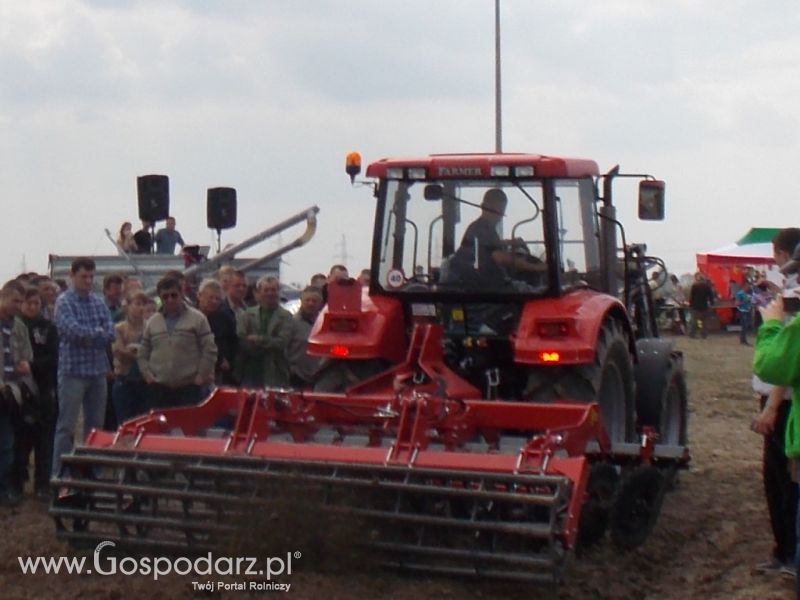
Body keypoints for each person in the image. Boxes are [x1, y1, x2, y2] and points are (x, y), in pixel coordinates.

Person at [751, 227, 800, 579]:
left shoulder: (790, 306)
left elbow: (779, 364)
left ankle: (788, 555)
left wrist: (770, 407)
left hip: (785, 405)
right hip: (782, 402)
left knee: (784, 484)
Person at [51, 258, 115, 479]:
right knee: (66, 426)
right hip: (72, 372)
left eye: (90, 276)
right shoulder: (63, 302)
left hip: (97, 372)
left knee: (95, 427)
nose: (88, 281)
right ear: (73, 276)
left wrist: (91, 335)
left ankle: (91, 474)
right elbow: (71, 331)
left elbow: (110, 332)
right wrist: (95, 335)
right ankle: (60, 475)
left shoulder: (99, 302)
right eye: (83, 276)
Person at [137, 276, 217, 409]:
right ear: (160, 298)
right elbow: (143, 351)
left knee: (188, 428)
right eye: (165, 296)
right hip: (159, 388)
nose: (170, 300)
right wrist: (147, 375)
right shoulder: (153, 322)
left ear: (181, 294)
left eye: (174, 295)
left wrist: (200, 377)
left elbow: (210, 350)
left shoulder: (198, 319)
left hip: (189, 388)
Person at [446, 188, 545, 289]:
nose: (498, 217)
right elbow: (500, 257)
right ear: (484, 207)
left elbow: (488, 247)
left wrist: (509, 243)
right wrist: (538, 267)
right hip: (486, 287)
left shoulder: (480, 228)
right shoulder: (482, 227)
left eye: (500, 212)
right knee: (534, 292)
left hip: (483, 284)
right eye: (496, 211)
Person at [15, 286, 58, 500]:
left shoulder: (49, 328)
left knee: (44, 439)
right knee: (20, 438)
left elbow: (53, 358)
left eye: (36, 303)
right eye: (28, 303)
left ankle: (43, 483)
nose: (32, 307)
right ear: (21, 304)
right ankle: (17, 482)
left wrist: (31, 365)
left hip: (43, 388)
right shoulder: (14, 326)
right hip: (19, 389)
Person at [0, 281, 34, 505]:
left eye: (21, 302)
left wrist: (24, 364)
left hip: (10, 392)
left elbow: (27, 355)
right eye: (15, 301)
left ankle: (4, 489)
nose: (19, 306)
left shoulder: (19, 326)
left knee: (7, 442)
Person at [236, 276, 293, 388]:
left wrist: (258, 339)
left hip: (276, 370)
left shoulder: (286, 316)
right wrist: (268, 342)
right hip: (249, 369)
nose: (270, 293)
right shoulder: (247, 314)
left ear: (278, 292)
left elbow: (282, 342)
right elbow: (241, 338)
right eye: (266, 290)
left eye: (273, 290)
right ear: (258, 293)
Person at [111, 291, 148, 423]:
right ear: (128, 306)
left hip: (145, 382)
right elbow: (120, 353)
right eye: (137, 304)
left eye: (144, 304)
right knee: (125, 422)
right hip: (124, 381)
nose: (141, 308)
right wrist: (141, 352)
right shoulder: (119, 328)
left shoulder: (151, 327)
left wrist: (133, 349)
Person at [196, 279, 238, 385]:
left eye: (217, 299)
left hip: (217, 372)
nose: (214, 301)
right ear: (199, 296)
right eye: (210, 298)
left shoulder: (225, 318)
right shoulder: (188, 317)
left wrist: (227, 360)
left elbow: (233, 342)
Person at [287, 286, 323, 388]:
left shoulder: (325, 324)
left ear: (320, 303)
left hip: (320, 377)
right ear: (301, 301)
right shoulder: (291, 323)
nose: (310, 303)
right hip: (296, 377)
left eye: (314, 301)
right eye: (307, 300)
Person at [688, 272, 715, 339]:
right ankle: (704, 335)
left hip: (695, 306)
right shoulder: (707, 286)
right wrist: (712, 303)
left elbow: (692, 297)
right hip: (704, 306)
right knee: (704, 322)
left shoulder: (695, 286)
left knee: (694, 321)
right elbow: (711, 296)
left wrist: (690, 304)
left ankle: (692, 334)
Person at [735, 280, 754, 345]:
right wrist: (744, 301)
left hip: (748, 310)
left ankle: (743, 338)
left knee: (746, 325)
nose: (749, 287)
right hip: (742, 311)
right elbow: (736, 303)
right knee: (744, 325)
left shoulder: (748, 294)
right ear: (744, 286)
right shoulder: (740, 293)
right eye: (748, 286)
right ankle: (743, 339)